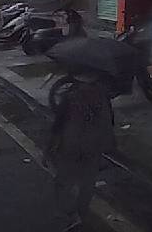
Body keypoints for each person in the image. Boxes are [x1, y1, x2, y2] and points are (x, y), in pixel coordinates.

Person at [48, 80, 114, 231]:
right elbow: (109, 124)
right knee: (87, 183)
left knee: (63, 182)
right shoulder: (102, 99)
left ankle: (71, 214)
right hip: (93, 147)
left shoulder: (70, 98)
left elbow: (58, 126)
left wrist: (49, 148)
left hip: (72, 146)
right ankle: (80, 213)